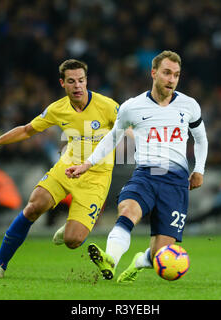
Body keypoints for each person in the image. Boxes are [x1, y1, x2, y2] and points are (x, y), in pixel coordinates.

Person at [0, 59, 119, 278]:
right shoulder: (57, 109)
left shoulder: (107, 106)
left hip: (96, 177)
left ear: (87, 81)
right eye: (72, 81)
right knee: (34, 206)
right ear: (62, 83)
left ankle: (67, 230)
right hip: (66, 168)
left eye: (81, 81)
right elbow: (28, 130)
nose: (77, 86)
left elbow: (129, 127)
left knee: (73, 240)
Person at [66, 50, 208, 283]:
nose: (171, 79)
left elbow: (201, 139)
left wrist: (199, 169)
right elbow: (113, 137)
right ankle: (109, 259)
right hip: (146, 175)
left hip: (175, 183)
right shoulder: (132, 107)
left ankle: (140, 261)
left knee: (160, 255)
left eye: (176, 75)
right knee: (128, 211)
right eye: (166, 73)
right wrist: (88, 163)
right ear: (154, 73)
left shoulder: (189, 105)